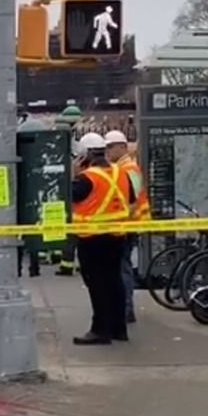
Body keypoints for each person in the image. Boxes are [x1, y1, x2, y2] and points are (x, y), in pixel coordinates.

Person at [71, 132, 135, 346]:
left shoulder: (86, 178)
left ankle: (100, 330)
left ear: (84, 155)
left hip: (92, 240)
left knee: (97, 285)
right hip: (117, 236)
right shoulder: (121, 173)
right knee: (115, 281)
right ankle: (119, 329)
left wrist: (74, 172)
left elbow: (70, 197)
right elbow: (132, 198)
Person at [105, 130, 150, 324]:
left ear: (121, 147)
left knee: (123, 268)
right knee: (122, 266)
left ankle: (126, 309)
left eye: (109, 147)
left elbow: (132, 198)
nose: (107, 151)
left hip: (128, 224)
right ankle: (124, 308)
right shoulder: (121, 167)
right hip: (128, 223)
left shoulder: (128, 168)